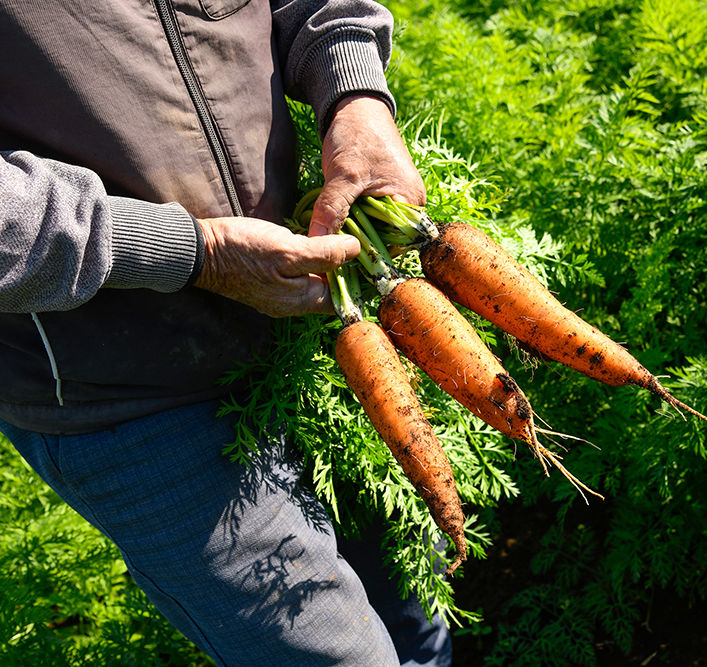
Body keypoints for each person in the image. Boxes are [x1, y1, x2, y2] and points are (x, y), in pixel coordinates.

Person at [0, 1, 448, 664]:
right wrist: (191, 251)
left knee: (416, 608)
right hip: (121, 389)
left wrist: (355, 94)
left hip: (313, 335)